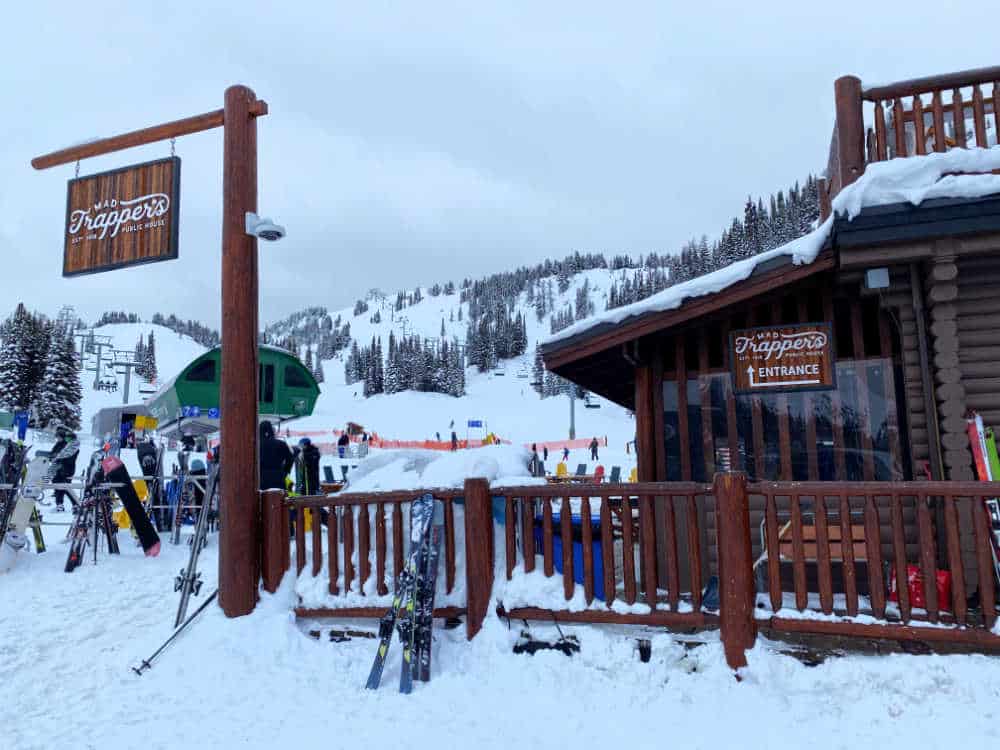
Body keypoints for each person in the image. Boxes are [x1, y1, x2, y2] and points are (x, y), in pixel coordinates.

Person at [47, 425, 80, 512]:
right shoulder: (59, 444)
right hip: (58, 469)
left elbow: (67, 457)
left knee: (66, 487)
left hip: (66, 469)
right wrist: (52, 457)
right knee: (58, 487)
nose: (57, 438)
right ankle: (60, 504)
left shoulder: (69, 445)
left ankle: (76, 504)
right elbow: (53, 454)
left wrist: (57, 458)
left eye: (58, 437)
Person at [259, 420, 294, 491]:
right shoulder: (281, 444)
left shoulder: (255, 445)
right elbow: (290, 459)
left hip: (261, 478)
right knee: (280, 500)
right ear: (271, 430)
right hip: (279, 477)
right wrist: (286, 471)